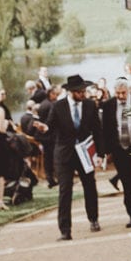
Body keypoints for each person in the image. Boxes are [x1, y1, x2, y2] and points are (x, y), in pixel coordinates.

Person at [47, 74, 103, 240]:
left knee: (90, 186)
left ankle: (93, 218)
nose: (83, 94)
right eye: (79, 92)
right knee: (65, 191)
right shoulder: (58, 107)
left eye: (84, 91)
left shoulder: (89, 105)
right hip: (65, 154)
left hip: (85, 152)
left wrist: (100, 153)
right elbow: (50, 129)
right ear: (71, 92)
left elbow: (97, 131)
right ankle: (65, 229)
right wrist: (42, 128)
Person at [99, 78, 131, 228]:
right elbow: (106, 130)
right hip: (119, 150)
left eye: (123, 93)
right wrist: (106, 152)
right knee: (126, 184)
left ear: (128, 90)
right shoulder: (108, 105)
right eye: (117, 94)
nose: (120, 96)